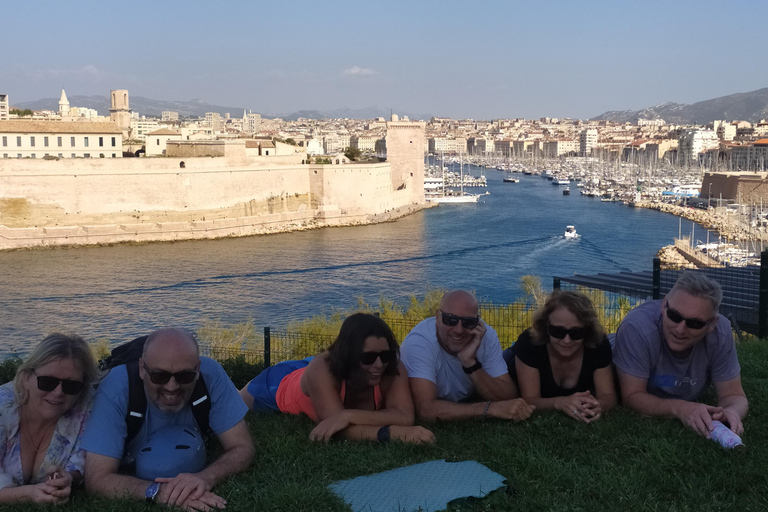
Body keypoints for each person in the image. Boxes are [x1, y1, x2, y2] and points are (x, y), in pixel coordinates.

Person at [82, 328, 254, 511]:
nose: (172, 387)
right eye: (159, 376)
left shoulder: (211, 376)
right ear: (142, 369)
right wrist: (159, 492)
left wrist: (206, 477)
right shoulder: (116, 388)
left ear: (197, 369)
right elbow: (97, 478)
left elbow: (243, 447)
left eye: (184, 376)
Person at [240, 313, 435, 445]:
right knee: (235, 403)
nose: (378, 365)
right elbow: (336, 428)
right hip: (278, 384)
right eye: (368, 357)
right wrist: (393, 433)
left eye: (385, 355)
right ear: (349, 355)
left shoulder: (391, 366)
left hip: (317, 370)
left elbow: (405, 416)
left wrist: (346, 415)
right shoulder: (322, 370)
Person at [613, 272, 748, 438]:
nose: (680, 329)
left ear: (712, 323)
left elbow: (733, 395)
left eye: (694, 323)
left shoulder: (721, 333)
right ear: (664, 306)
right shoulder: (637, 329)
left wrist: (732, 412)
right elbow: (632, 396)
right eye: (674, 316)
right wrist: (681, 408)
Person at [400, 289, 534, 422]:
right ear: (437, 317)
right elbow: (425, 410)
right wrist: (490, 409)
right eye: (450, 319)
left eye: (468, 322)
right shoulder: (420, 342)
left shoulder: (485, 336)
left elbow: (509, 397)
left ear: (477, 322)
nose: (458, 330)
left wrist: (471, 364)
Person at [0, 333, 98, 504]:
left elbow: (82, 464)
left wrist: (67, 478)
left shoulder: (85, 409)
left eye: (71, 385)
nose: (58, 392)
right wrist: (28, 494)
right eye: (47, 381)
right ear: (25, 378)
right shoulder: (3, 410)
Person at [503, 290, 616, 422]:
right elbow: (529, 400)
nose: (567, 340)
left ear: (588, 330)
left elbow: (608, 395)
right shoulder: (529, 343)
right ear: (545, 327)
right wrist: (560, 402)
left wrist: (598, 406)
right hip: (510, 361)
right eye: (558, 331)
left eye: (576, 333)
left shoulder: (598, 343)